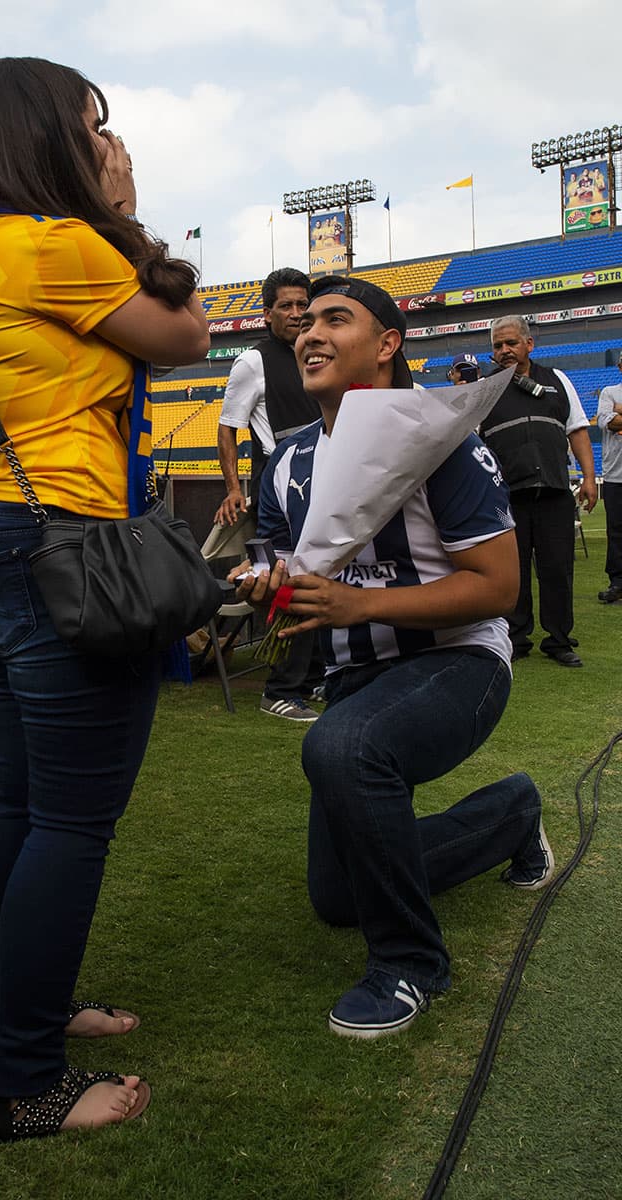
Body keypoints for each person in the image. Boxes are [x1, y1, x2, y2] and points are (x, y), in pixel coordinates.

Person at [0, 57, 209, 1140]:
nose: (110, 145)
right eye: (95, 125)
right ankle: (25, 1082)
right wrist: (125, 217)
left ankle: (28, 1011)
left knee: (24, 805)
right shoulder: (54, 239)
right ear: (48, 137)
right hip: (62, 548)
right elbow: (187, 334)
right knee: (72, 822)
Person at [232, 275, 553, 1040]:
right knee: (339, 897)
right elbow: (285, 576)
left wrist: (361, 605)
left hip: (458, 662)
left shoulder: (441, 437)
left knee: (341, 745)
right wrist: (264, 588)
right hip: (356, 679)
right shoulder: (285, 461)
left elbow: (499, 586)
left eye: (335, 319)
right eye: (306, 322)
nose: (311, 333)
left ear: (386, 344)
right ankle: (511, 813)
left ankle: (411, 964)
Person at [215, 267, 323, 721]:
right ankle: (279, 689)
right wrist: (233, 488)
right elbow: (227, 428)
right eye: (286, 306)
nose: (296, 314)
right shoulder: (252, 362)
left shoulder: (318, 350)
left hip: (323, 487)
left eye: (302, 305)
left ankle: (314, 677)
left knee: (321, 578)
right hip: (276, 491)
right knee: (283, 580)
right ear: (267, 313)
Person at [480, 316, 597, 666]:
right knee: (512, 572)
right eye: (498, 345)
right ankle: (516, 639)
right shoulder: (484, 388)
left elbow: (577, 430)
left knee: (557, 569)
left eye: (511, 343)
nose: (504, 350)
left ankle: (559, 641)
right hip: (506, 497)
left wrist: (589, 477)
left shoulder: (557, 379)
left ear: (529, 344)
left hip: (554, 491)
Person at [596, 351, 622, 604]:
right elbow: (609, 422)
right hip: (616, 475)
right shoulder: (609, 392)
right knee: (616, 531)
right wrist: (615, 415)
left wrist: (620, 413)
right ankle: (618, 582)